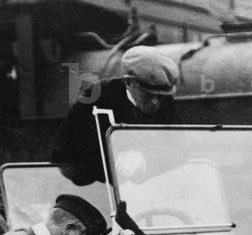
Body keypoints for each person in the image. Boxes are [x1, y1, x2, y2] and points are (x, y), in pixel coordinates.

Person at [51, 46, 180, 186]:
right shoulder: (96, 97)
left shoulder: (164, 102)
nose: (155, 102)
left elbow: (179, 146)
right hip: (101, 192)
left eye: (160, 97)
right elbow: (63, 155)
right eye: (148, 94)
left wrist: (145, 159)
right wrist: (113, 161)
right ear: (128, 82)